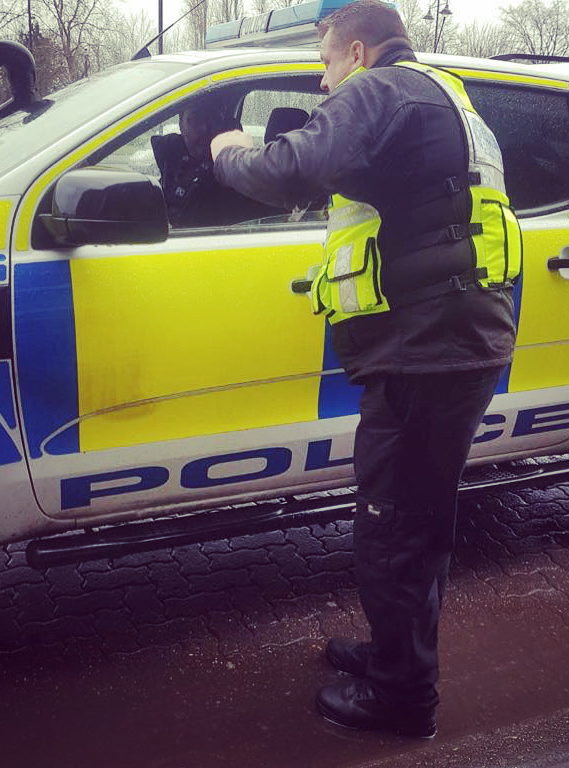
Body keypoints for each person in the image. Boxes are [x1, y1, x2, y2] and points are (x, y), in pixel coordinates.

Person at [210, 0, 521, 739]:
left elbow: (292, 170)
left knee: (396, 529)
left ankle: (404, 699)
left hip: (429, 350)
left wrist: (224, 147)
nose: (323, 84)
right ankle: (395, 655)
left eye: (323, 61)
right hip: (450, 343)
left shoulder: (380, 92)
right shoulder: (443, 96)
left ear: (354, 49)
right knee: (416, 521)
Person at [152, 102, 277, 227]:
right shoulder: (170, 159)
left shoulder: (242, 179)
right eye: (196, 119)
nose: (205, 128)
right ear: (181, 125)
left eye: (213, 118)